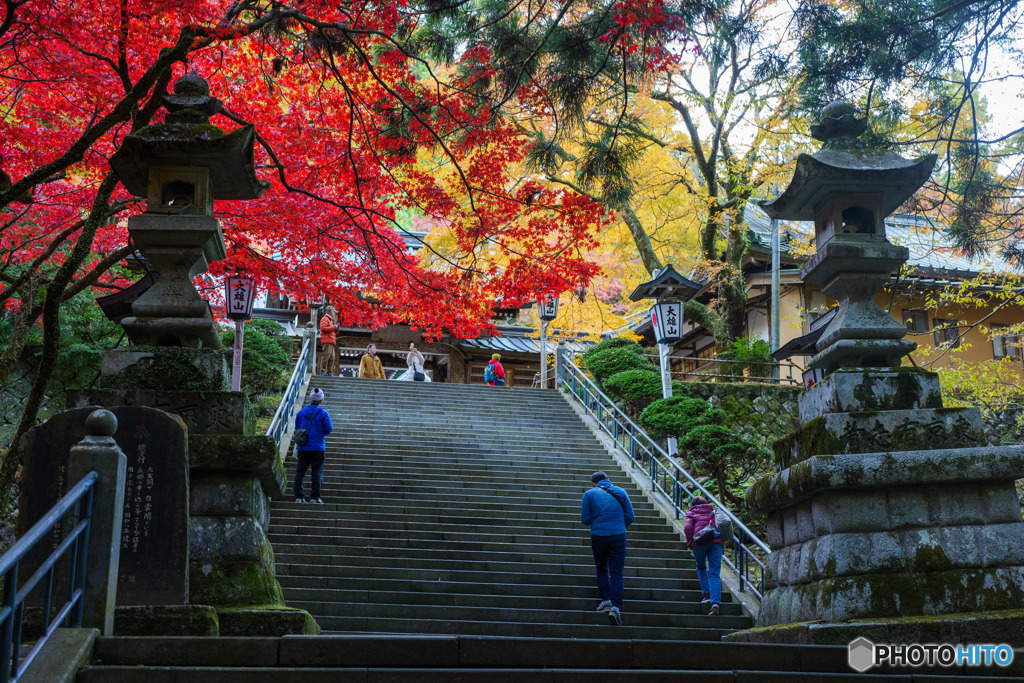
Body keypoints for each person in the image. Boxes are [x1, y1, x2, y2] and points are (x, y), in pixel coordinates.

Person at [580, 470, 635, 626]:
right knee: (617, 572)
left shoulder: (589, 494)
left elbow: (585, 519)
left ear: (593, 483)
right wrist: (619, 526)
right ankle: (616, 607)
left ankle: (606, 600)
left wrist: (598, 519)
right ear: (608, 480)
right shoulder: (621, 491)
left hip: (599, 535)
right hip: (618, 535)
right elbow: (631, 516)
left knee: (601, 569)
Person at [684, 495, 725, 615]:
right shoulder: (713, 511)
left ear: (693, 505)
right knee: (714, 572)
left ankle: (707, 595)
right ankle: (715, 602)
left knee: (701, 567)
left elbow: (687, 527)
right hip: (716, 542)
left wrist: (690, 542)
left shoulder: (691, 512)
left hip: (699, 542)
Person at [294, 388, 333, 503]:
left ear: (310, 398)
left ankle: (299, 497)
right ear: (321, 400)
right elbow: (328, 429)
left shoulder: (301, 412)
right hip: (317, 447)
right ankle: (314, 497)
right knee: (317, 472)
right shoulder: (322, 413)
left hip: (302, 446)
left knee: (300, 472)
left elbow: (297, 428)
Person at [318, 306, 338, 376]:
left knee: (332, 357)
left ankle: (329, 372)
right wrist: (333, 327)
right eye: (334, 312)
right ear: (331, 312)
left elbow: (332, 331)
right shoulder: (325, 319)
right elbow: (323, 328)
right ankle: (323, 371)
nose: (334, 314)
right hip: (327, 340)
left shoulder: (330, 321)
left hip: (331, 340)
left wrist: (336, 328)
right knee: (326, 356)